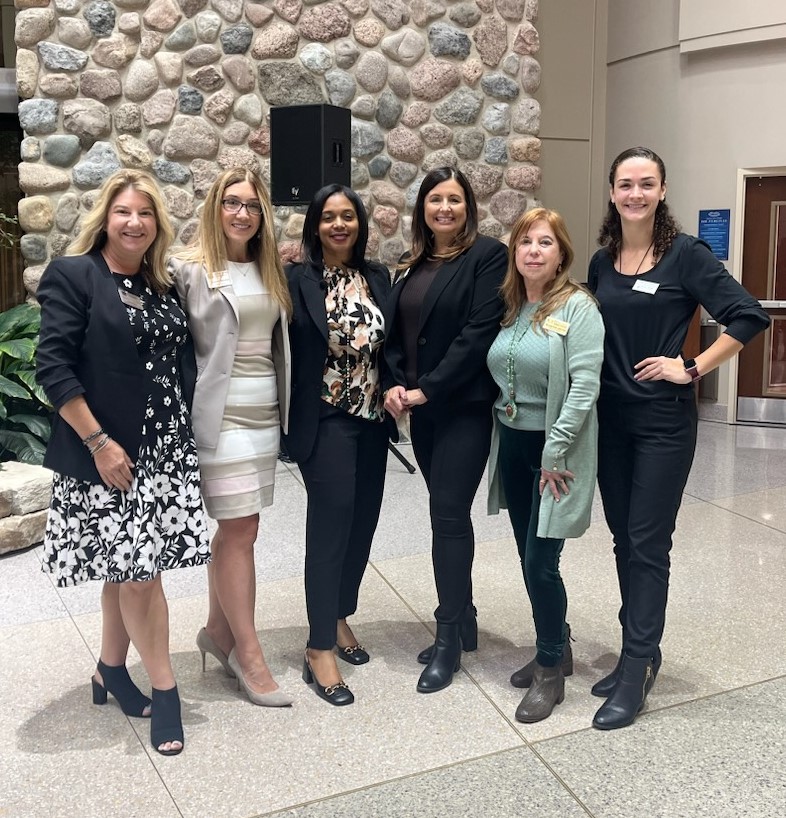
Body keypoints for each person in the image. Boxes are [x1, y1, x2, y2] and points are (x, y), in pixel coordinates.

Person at [588, 147, 770, 729]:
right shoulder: (602, 260)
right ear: (612, 192)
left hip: (663, 424)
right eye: (625, 184)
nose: (635, 193)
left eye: (646, 183)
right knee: (623, 539)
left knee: (647, 541)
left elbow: (747, 316)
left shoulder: (685, 254)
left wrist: (690, 367)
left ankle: (638, 663)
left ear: (662, 189)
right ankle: (637, 651)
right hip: (610, 421)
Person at [36, 169, 210, 756]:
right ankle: (165, 691)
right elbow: (53, 369)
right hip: (112, 454)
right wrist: (99, 444)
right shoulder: (76, 276)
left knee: (128, 567)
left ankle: (111, 668)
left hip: (164, 451)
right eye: (123, 212)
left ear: (157, 223)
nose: (134, 223)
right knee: (141, 575)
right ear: (104, 219)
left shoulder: (159, 285)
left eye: (145, 213)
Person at [170, 168, 293, 707]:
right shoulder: (188, 269)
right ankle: (249, 654)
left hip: (263, 416)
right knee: (241, 528)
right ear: (215, 209)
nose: (241, 213)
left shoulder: (270, 269)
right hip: (220, 423)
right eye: (231, 203)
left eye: (251, 205)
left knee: (240, 528)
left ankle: (217, 632)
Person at [384, 167, 507, 693]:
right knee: (447, 513)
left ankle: (449, 635)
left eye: (454, 200)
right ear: (423, 209)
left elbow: (479, 332)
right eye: (435, 200)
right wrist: (393, 384)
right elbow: (395, 334)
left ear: (468, 207)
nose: (445, 209)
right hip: (422, 409)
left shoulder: (488, 256)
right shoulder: (412, 264)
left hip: (462, 406)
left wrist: (427, 388)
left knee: (448, 516)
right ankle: (467, 614)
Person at [486, 208, 604, 722]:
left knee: (541, 562)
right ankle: (555, 643)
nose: (534, 250)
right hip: (512, 446)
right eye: (525, 242)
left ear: (562, 255)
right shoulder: (512, 307)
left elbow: (584, 387)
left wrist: (555, 449)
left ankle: (550, 672)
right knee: (525, 553)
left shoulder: (578, 308)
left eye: (545, 243)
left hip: (555, 455)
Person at [284, 184, 390, 706]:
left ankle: (339, 612)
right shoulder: (295, 279)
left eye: (348, 216)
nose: (339, 225)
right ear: (315, 225)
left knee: (363, 522)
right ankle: (318, 645)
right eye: (329, 217)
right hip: (323, 420)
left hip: (373, 421)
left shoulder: (377, 277)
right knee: (331, 524)